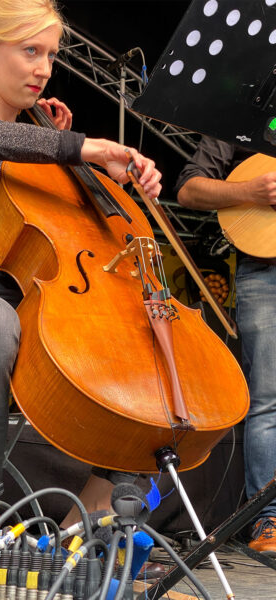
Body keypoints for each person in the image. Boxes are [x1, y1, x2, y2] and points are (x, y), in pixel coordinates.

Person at [0, 0, 162, 593]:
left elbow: (73, 233)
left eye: (51, 55)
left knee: (144, 353)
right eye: (31, 51)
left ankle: (90, 526)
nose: (44, 67)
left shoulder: (40, 132)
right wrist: (82, 146)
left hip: (37, 302)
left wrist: (117, 174)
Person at [176, 135, 276, 555]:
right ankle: (268, 518)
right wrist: (249, 192)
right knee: (269, 401)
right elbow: (188, 188)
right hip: (264, 269)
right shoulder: (245, 122)